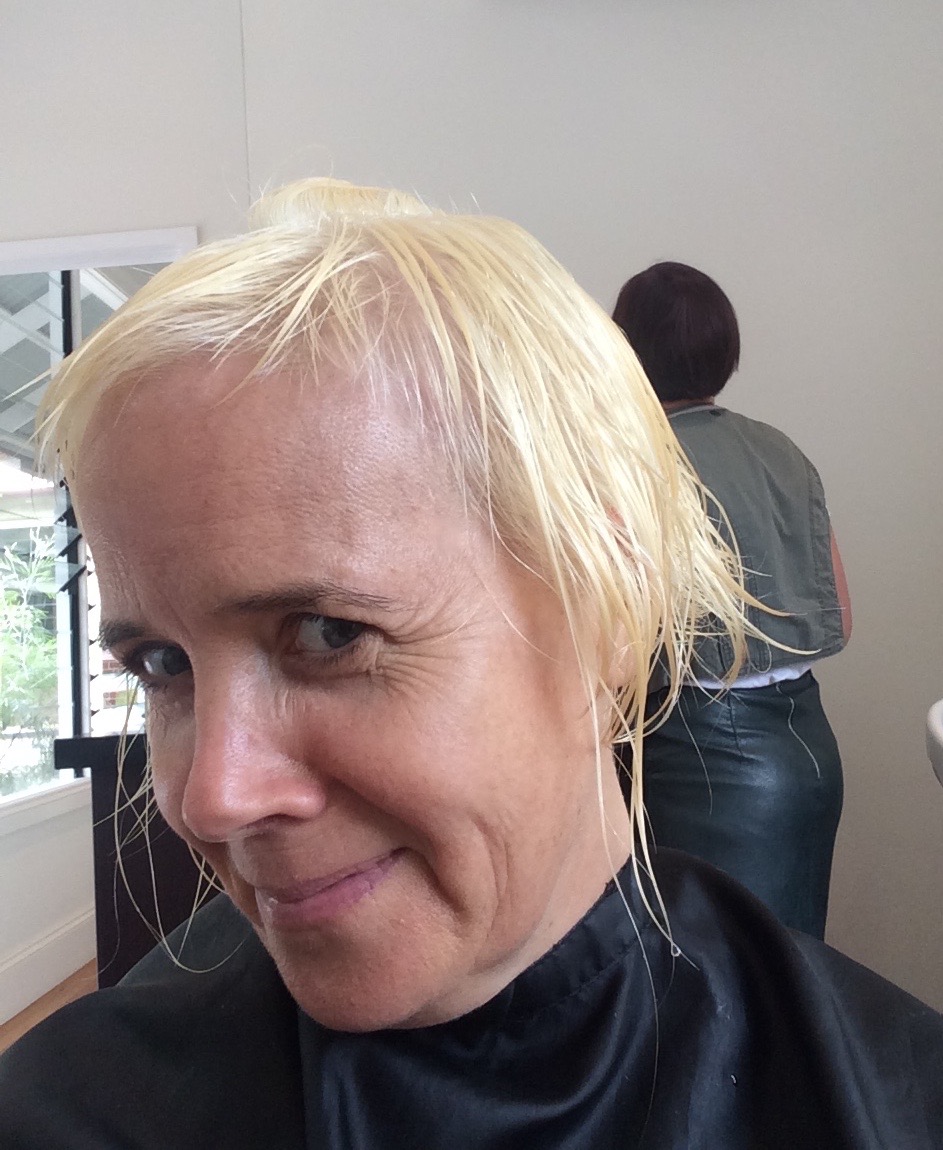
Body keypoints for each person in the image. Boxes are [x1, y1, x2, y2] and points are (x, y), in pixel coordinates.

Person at [0, 181, 939, 1148]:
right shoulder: (68, 1111)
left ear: (611, 601)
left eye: (328, 633)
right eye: (161, 663)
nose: (212, 798)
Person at [611, 262, 850, 939]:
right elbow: (839, 614)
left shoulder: (634, 460)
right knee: (788, 973)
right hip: (808, 752)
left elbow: (615, 645)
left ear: (624, 348)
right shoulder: (781, 451)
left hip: (700, 764)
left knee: (705, 980)